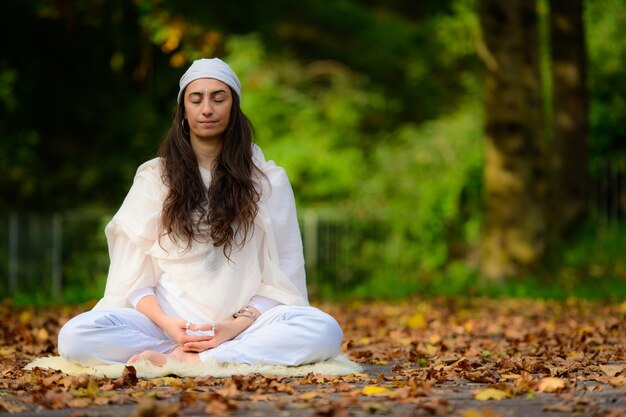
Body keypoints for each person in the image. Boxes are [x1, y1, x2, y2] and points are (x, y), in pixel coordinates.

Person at [57, 58, 343, 367]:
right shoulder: (154, 177)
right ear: (184, 111)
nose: (207, 108)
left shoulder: (268, 180)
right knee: (75, 336)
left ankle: (200, 359)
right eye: (196, 99)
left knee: (323, 330)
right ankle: (181, 353)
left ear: (234, 108)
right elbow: (134, 277)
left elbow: (283, 276)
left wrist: (234, 325)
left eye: (218, 98)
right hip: (167, 325)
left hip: (243, 326)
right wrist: (168, 324)